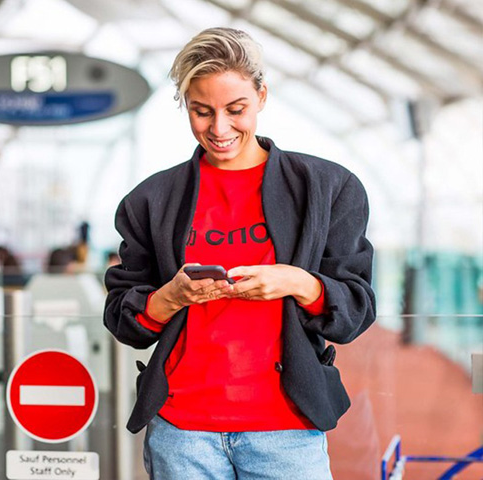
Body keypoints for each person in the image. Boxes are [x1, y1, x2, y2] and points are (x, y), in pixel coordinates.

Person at [103, 27, 375, 479]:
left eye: (236, 109)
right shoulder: (150, 201)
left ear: (262, 96)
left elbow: (357, 309)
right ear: (185, 104)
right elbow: (122, 318)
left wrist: (296, 282)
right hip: (182, 433)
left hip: (287, 431)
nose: (220, 128)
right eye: (201, 111)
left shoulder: (327, 189)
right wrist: (172, 296)